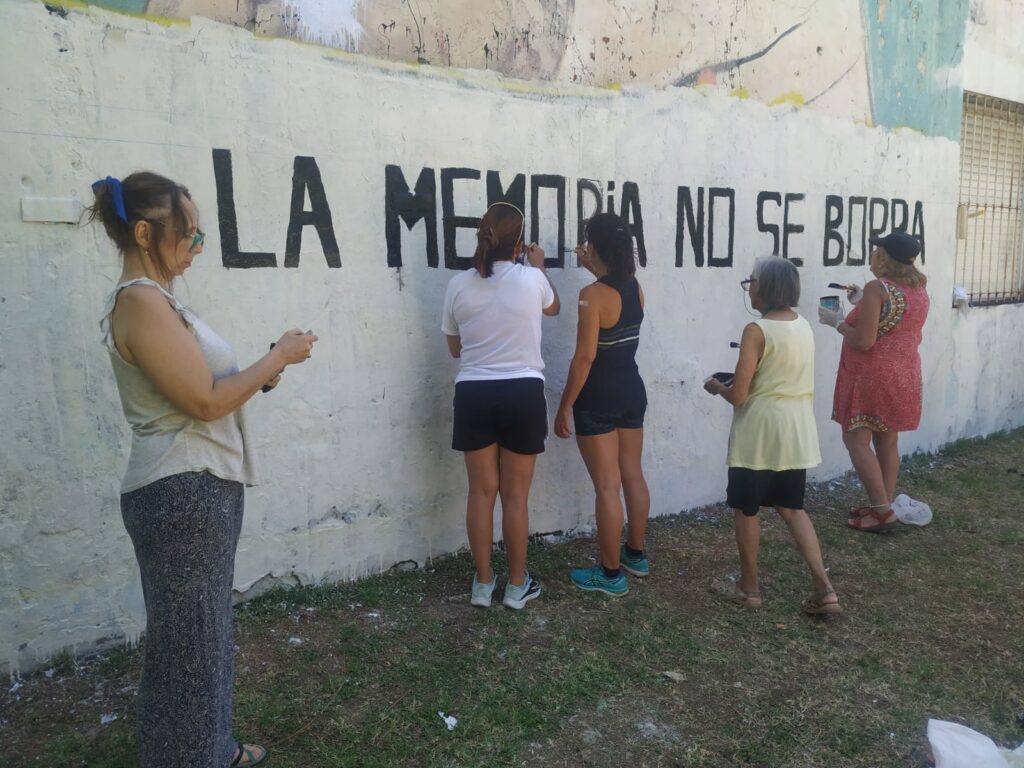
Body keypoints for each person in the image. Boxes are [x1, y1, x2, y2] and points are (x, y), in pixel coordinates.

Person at [87, 173, 317, 767]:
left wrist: (263, 372)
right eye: (187, 235)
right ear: (143, 232)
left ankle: (212, 749)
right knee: (189, 649)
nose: (196, 247)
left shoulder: (159, 299)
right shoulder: (139, 300)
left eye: (199, 235)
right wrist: (279, 354)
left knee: (198, 641)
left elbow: (210, 389)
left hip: (194, 489)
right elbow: (206, 402)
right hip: (180, 492)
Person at [704, 257, 840, 614]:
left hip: (759, 432)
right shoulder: (804, 326)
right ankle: (824, 589)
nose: (749, 286)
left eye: (752, 280)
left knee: (747, 508)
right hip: (795, 429)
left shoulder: (756, 330)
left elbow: (740, 395)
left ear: (766, 287)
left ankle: (749, 587)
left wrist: (718, 386)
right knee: (793, 508)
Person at [441, 202, 560, 609]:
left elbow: (455, 348)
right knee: (515, 495)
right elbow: (553, 306)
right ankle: (515, 585)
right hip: (523, 392)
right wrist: (539, 265)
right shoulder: (532, 280)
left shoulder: (458, 285)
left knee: (481, 492)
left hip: (474, 393)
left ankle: (481, 584)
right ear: (520, 244)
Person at [554, 213, 651, 596]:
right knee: (632, 474)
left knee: (607, 486)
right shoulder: (636, 288)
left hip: (597, 398)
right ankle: (635, 555)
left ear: (593, 247)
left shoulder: (591, 296)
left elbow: (584, 358)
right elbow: (614, 294)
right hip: (632, 390)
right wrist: (595, 267)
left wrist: (564, 406)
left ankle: (610, 576)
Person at [818, 231, 930, 532]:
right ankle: (884, 503)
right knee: (887, 439)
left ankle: (881, 513)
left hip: (872, 375)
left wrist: (837, 321)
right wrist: (860, 302)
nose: (872, 254)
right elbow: (892, 321)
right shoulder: (918, 287)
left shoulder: (877, 288)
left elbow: (864, 341)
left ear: (882, 256)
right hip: (905, 374)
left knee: (856, 439)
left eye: (876, 250)